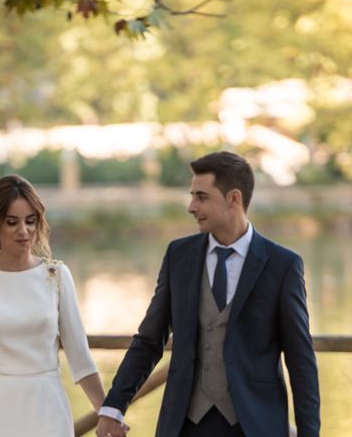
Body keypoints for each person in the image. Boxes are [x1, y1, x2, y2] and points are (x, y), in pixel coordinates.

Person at [96, 151, 320, 437]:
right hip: (185, 425)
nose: (191, 206)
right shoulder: (179, 256)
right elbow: (149, 340)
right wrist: (114, 406)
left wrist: (309, 433)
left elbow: (301, 362)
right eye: (192, 195)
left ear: (233, 198)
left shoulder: (282, 265)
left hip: (255, 426)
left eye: (201, 197)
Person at [0, 174, 105, 437]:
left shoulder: (57, 276)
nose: (23, 231)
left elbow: (80, 357)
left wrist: (107, 414)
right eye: (12, 222)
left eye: (30, 221)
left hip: (47, 408)